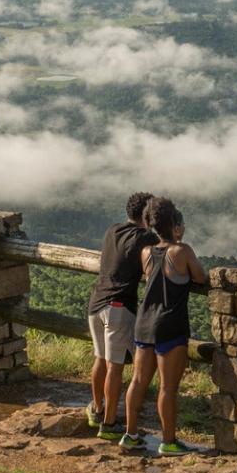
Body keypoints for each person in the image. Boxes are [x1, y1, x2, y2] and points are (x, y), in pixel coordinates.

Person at [121, 198, 206, 456]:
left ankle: (130, 434)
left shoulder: (147, 252)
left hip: (144, 324)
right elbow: (200, 277)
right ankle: (169, 441)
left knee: (138, 380)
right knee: (168, 388)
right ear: (175, 226)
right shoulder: (182, 252)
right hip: (170, 325)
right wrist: (180, 242)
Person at [86, 192, 157, 440]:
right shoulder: (146, 237)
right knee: (114, 367)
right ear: (147, 215)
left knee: (100, 359)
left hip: (96, 303)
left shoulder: (112, 230)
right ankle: (109, 424)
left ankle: (97, 408)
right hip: (118, 306)